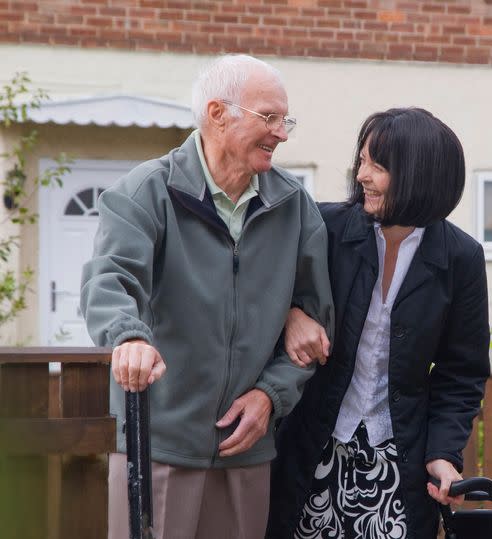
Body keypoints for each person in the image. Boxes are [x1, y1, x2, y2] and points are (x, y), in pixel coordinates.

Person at [80, 54, 333, 539]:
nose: (281, 133)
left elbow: (317, 323)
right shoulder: (145, 192)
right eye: (269, 117)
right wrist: (129, 336)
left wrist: (270, 396)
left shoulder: (294, 206)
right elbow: (110, 280)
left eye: (286, 120)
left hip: (246, 450)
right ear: (218, 113)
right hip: (159, 443)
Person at [268, 107, 491, 539]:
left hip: (399, 460)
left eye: (378, 166)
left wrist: (444, 453)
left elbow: (461, 374)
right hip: (311, 447)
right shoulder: (323, 227)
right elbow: (257, 284)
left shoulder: (462, 258)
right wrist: (290, 315)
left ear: (419, 177)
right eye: (363, 161)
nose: (362, 176)